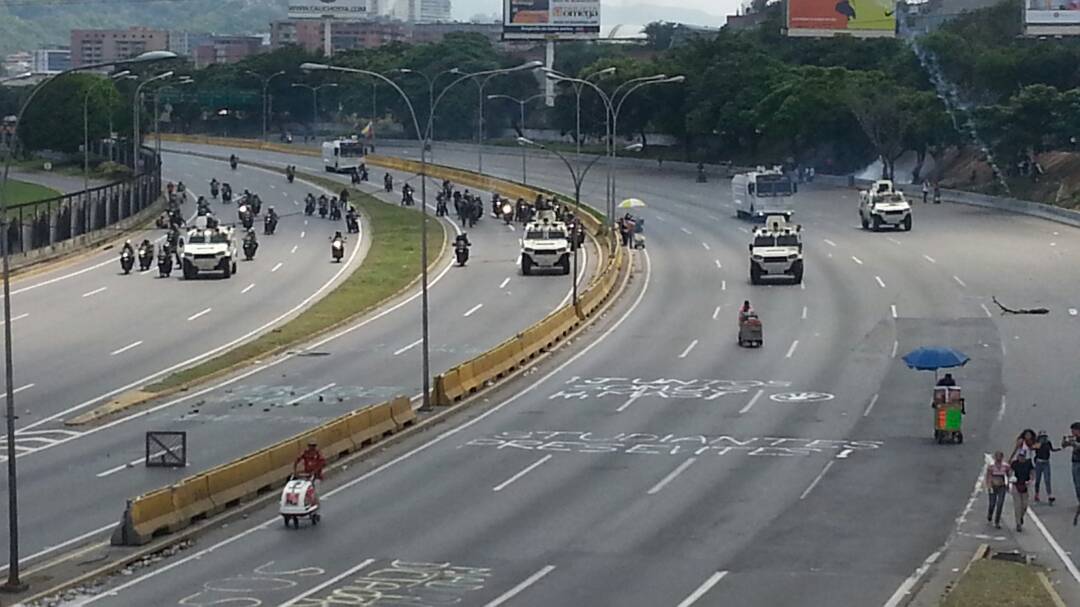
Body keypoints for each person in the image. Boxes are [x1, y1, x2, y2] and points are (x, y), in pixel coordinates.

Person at [985, 451, 1010, 529]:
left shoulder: (1005, 466)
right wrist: (989, 486)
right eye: (997, 457)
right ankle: (990, 514)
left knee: (1000, 504)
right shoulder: (991, 467)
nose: (998, 459)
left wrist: (1008, 484)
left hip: (1002, 487)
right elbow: (988, 476)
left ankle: (997, 521)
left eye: (1000, 457)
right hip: (993, 486)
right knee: (992, 503)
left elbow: (1008, 475)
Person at [1061, 422, 1080, 525]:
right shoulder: (1073, 439)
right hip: (1075, 463)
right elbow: (1063, 446)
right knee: (1077, 484)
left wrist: (1074, 444)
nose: (1072, 432)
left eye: (1073, 430)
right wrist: (1065, 441)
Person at [1034, 429, 1059, 504]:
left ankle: (1049, 495)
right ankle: (1037, 494)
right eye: (1042, 437)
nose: (1043, 439)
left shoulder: (1048, 443)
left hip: (1046, 463)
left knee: (1047, 479)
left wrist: (1058, 449)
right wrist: (1039, 444)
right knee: (1037, 480)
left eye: (1044, 437)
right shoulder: (1037, 443)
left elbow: (1052, 449)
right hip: (1039, 463)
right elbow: (1033, 448)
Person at [1012, 450, 1034, 531]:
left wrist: (1031, 480)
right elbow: (1010, 471)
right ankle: (1018, 523)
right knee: (1017, 505)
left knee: (1024, 505)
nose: (1021, 458)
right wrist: (1011, 478)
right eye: (1020, 456)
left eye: (1022, 456)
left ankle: (1021, 516)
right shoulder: (1014, 463)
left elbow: (1032, 472)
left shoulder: (1028, 463)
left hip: (1025, 485)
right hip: (1016, 485)